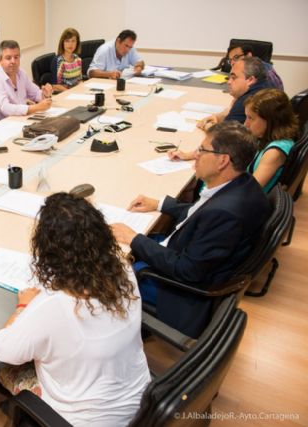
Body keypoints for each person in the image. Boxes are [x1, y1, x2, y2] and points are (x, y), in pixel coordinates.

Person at [0, 193, 150, 427]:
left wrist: (23, 305)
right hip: (141, 403)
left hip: (83, 421)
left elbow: (4, 351)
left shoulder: (53, 305)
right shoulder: (123, 270)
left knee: (7, 371)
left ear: (47, 251)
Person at [112, 122, 270, 338]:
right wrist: (160, 204)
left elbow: (187, 270)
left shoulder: (225, 214)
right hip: (185, 250)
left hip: (179, 291)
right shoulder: (242, 184)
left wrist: (133, 238)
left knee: (105, 269)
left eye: (202, 150)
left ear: (223, 160)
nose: (195, 155)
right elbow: (201, 211)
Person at [170, 88, 299, 193]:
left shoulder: (274, 152)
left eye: (251, 118)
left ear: (270, 120)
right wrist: (191, 155)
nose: (246, 123)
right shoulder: (263, 136)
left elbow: (250, 190)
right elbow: (230, 147)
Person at [0, 40, 53, 120]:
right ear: (0, 60)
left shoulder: (21, 73)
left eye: (16, 57)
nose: (13, 61)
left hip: (18, 119)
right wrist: (36, 107)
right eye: (8, 58)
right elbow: (6, 108)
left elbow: (35, 93)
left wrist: (44, 94)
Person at [197, 57, 270, 129]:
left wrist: (208, 126)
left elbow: (223, 135)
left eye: (234, 78)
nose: (229, 82)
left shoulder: (249, 100)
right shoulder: (264, 86)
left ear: (250, 80)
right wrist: (217, 117)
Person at [50, 28, 83, 92]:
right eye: (67, 41)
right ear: (62, 43)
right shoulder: (58, 61)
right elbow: (54, 85)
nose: (70, 44)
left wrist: (81, 87)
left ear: (77, 43)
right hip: (62, 94)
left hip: (75, 93)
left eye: (73, 41)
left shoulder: (78, 59)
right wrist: (69, 92)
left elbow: (79, 80)